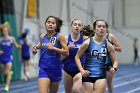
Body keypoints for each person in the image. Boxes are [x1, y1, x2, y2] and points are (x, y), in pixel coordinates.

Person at [75, 20, 119, 93]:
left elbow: (115, 61)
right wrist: (82, 71)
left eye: (103, 27)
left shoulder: (108, 45)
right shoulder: (87, 43)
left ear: (106, 29)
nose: (101, 28)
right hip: (87, 75)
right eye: (99, 26)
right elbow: (77, 57)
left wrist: (114, 68)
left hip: (101, 76)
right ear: (94, 29)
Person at [32, 16, 69, 93]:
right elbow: (40, 45)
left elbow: (66, 52)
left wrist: (54, 48)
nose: (50, 24)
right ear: (45, 24)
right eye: (48, 22)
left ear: (56, 26)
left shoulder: (59, 36)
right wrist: (35, 48)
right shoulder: (42, 36)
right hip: (44, 69)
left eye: (53, 23)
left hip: (56, 69)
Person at [62, 19, 87, 93]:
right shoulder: (65, 39)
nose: (77, 26)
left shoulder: (85, 39)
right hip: (67, 70)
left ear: (82, 28)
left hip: (80, 70)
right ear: (71, 26)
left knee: (75, 90)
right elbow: (61, 58)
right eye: (75, 24)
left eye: (79, 25)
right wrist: (68, 48)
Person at [0, 22, 21, 92]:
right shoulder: (1, 39)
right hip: (2, 58)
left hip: (9, 57)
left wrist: (18, 46)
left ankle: (7, 86)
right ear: (2, 32)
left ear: (8, 31)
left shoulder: (12, 38)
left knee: (8, 71)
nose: (5, 32)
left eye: (6, 31)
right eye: (3, 31)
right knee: (5, 72)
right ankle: (9, 73)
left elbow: (16, 45)